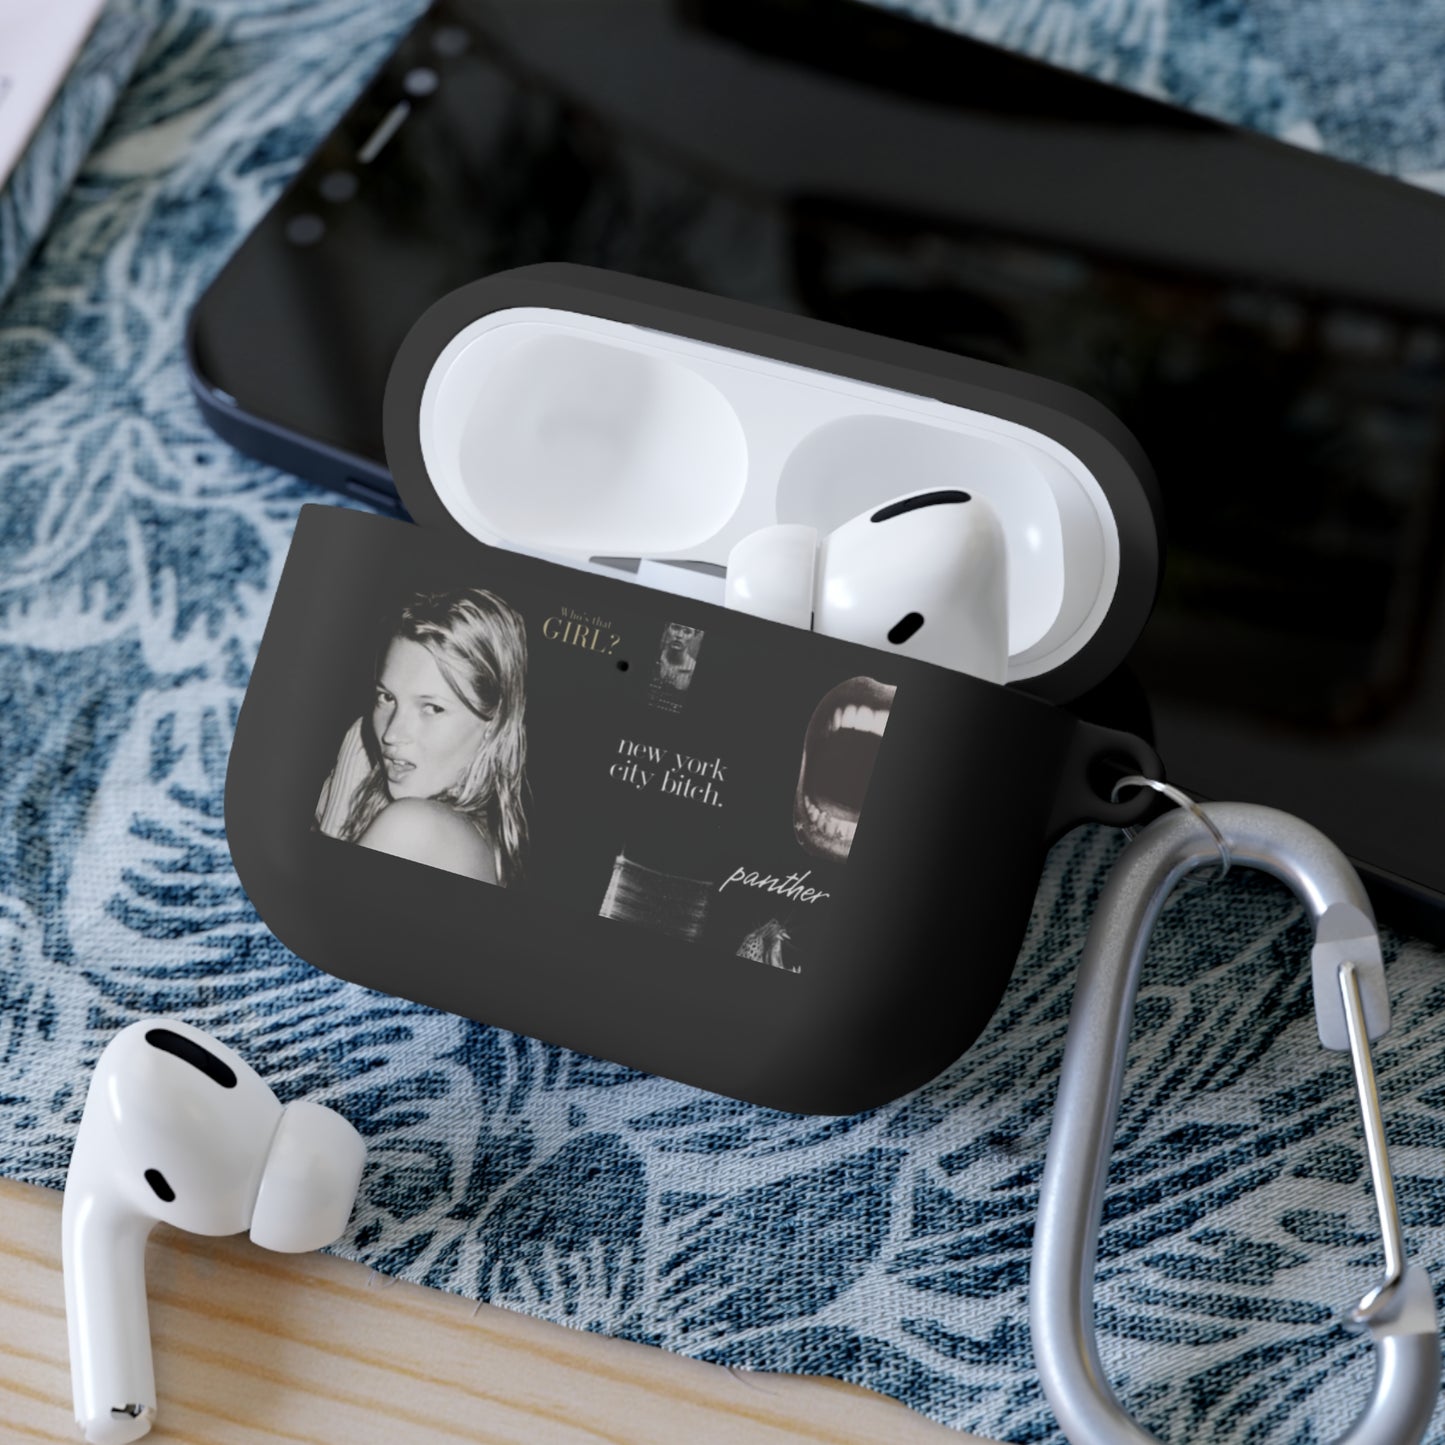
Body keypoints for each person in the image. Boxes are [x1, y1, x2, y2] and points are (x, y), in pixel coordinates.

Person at [315, 588, 528, 885]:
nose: (391, 734)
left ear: (494, 722)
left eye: (432, 708)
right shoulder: (480, 838)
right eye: (386, 697)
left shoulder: (413, 828)